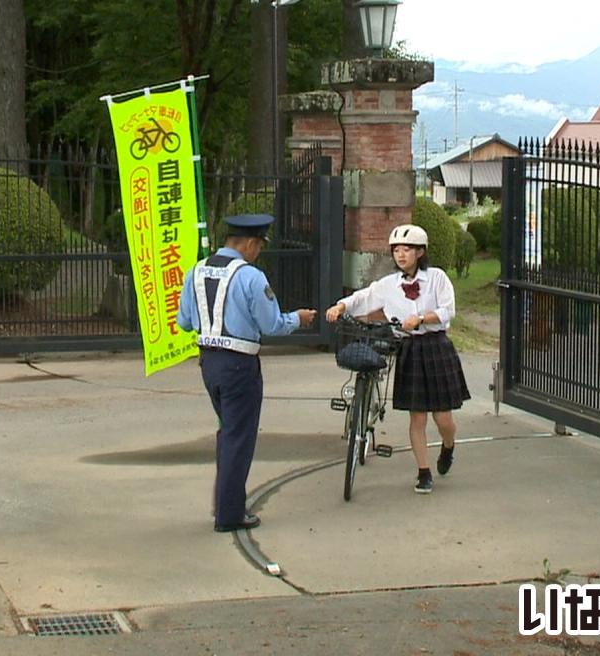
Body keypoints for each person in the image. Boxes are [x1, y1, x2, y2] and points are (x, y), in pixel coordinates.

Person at [178, 214, 317, 532]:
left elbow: (184, 321)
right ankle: (229, 514)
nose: (258, 254)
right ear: (251, 244)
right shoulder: (251, 277)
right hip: (239, 365)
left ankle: (224, 503)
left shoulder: (195, 271)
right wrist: (298, 318)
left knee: (227, 432)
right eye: (259, 248)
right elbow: (271, 325)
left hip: (208, 363)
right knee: (238, 438)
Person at [325, 224, 470, 495]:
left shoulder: (437, 278)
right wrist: (341, 306)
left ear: (420, 252)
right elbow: (364, 298)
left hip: (436, 347)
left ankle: (448, 446)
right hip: (409, 349)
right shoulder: (388, 285)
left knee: (443, 419)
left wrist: (423, 318)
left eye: (407, 250)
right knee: (417, 417)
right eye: (396, 250)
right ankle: (423, 472)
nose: (401, 255)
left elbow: (448, 310)